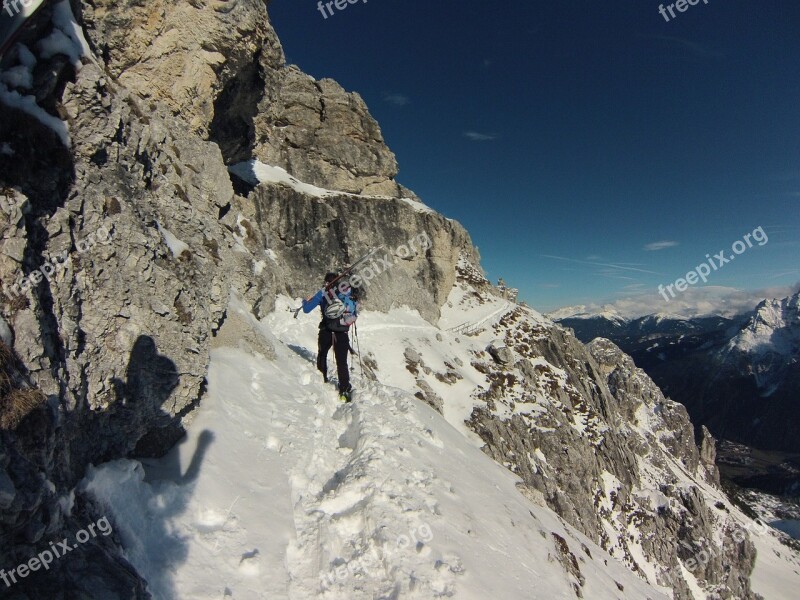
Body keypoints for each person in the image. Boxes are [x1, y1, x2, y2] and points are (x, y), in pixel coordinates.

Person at [302, 273, 359, 401]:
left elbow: (306, 309)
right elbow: (354, 311)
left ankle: (323, 379)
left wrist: (304, 301)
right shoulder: (346, 293)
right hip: (342, 333)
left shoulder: (323, 293)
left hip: (326, 330)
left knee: (322, 355)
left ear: (326, 282)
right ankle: (344, 390)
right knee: (342, 363)